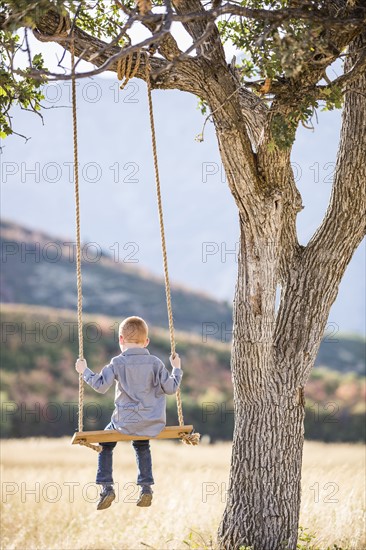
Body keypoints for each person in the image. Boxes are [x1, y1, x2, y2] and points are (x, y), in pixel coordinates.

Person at [75, 316, 183, 510]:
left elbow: (100, 385)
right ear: (146, 341)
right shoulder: (156, 363)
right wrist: (176, 369)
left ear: (120, 340)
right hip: (152, 422)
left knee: (106, 443)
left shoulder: (117, 362)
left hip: (125, 422)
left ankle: (107, 487)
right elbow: (171, 388)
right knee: (142, 444)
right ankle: (146, 487)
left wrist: (84, 371)